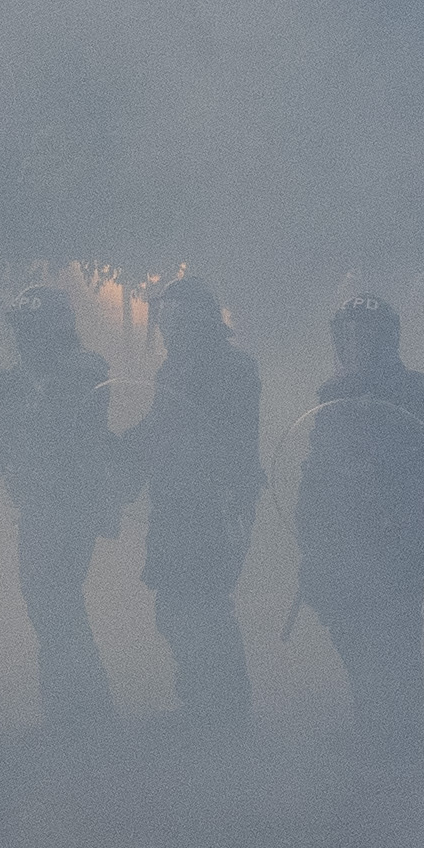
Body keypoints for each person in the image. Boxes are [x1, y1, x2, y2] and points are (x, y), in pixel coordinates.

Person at [291, 294, 424, 759]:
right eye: (348, 333)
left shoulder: (414, 387)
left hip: (399, 530)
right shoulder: (333, 392)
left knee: (395, 630)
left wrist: (375, 396)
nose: (355, 343)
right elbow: (321, 461)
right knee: (348, 623)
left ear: (388, 338)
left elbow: (423, 426)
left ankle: (401, 734)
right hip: (344, 530)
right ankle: (371, 716)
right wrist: (312, 523)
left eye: (366, 333)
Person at [0, 285, 121, 734]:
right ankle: (74, 710)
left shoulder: (79, 370)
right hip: (41, 504)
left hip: (69, 505)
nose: (21, 338)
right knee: (50, 603)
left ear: (50, 328)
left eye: (29, 329)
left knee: (55, 602)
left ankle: (82, 713)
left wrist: (15, 401)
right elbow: (2, 449)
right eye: (19, 330)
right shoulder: (28, 375)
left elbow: (59, 431)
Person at [125, 276, 263, 735]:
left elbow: (213, 434)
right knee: (174, 605)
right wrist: (119, 449)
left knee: (204, 604)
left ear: (200, 324)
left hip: (213, 505)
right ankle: (200, 700)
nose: (168, 330)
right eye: (165, 320)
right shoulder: (175, 370)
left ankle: (225, 708)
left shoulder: (232, 369)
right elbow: (156, 428)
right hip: (175, 503)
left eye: (177, 321)